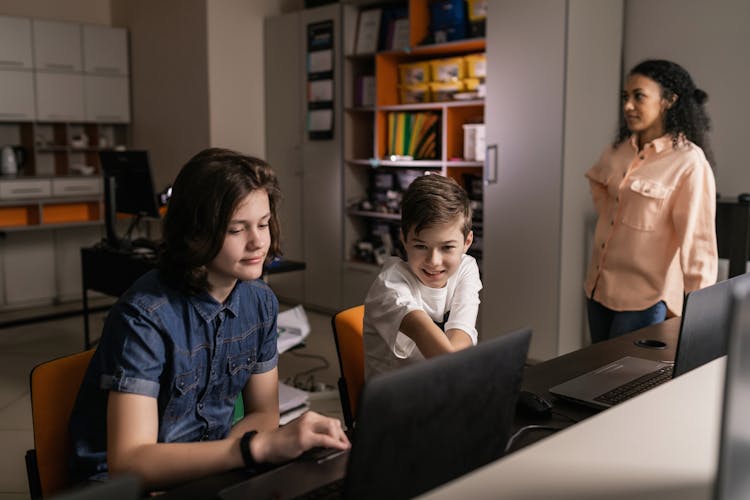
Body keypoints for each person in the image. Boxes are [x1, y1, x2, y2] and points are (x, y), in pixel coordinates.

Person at [69, 148, 349, 490]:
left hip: (210, 467)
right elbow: (129, 465)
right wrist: (256, 448)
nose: (259, 241)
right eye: (236, 230)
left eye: (263, 224)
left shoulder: (260, 301)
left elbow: (264, 413)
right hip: (125, 487)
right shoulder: (144, 316)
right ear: (194, 235)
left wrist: (249, 452)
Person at [584, 59, 718, 343]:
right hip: (597, 289)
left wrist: (701, 320)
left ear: (668, 100)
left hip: (645, 300)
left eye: (639, 96)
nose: (628, 105)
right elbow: (599, 185)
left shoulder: (689, 162)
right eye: (626, 97)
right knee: (597, 378)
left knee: (628, 384)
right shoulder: (620, 149)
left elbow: (699, 249)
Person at [363, 173, 482, 378]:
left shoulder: (466, 267)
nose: (434, 261)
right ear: (404, 239)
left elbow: (461, 338)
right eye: (421, 246)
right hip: (396, 401)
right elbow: (447, 362)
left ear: (467, 242)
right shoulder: (390, 286)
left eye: (447, 247)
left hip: (437, 390)